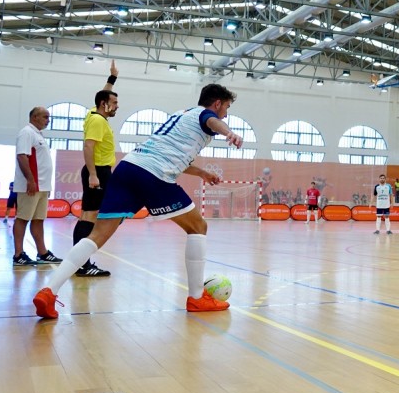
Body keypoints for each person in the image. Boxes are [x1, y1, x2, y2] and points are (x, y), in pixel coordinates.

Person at [32, 84, 243, 319]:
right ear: (217, 103)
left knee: (96, 236)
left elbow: (170, 155)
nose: (226, 112)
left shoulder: (181, 115)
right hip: (153, 175)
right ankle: (196, 298)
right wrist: (229, 133)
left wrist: (202, 173)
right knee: (198, 227)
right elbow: (212, 120)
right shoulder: (207, 116)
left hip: (128, 168)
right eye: (226, 107)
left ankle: (49, 291)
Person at [72, 61, 120, 277]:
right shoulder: (98, 121)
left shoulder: (95, 112)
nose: (117, 106)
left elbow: (103, 94)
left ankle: (80, 262)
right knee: (89, 217)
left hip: (100, 172)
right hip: (98, 172)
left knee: (89, 216)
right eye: (115, 102)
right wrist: (93, 175)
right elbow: (88, 146)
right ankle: (82, 265)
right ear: (104, 104)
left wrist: (112, 78)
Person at [12, 106, 63, 267]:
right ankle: (18, 255)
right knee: (22, 219)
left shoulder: (38, 135)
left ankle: (43, 253)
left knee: (38, 220)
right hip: (31, 186)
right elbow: (22, 156)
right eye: (45, 117)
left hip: (42, 187)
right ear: (34, 117)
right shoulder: (26, 132)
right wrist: (30, 180)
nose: (48, 120)